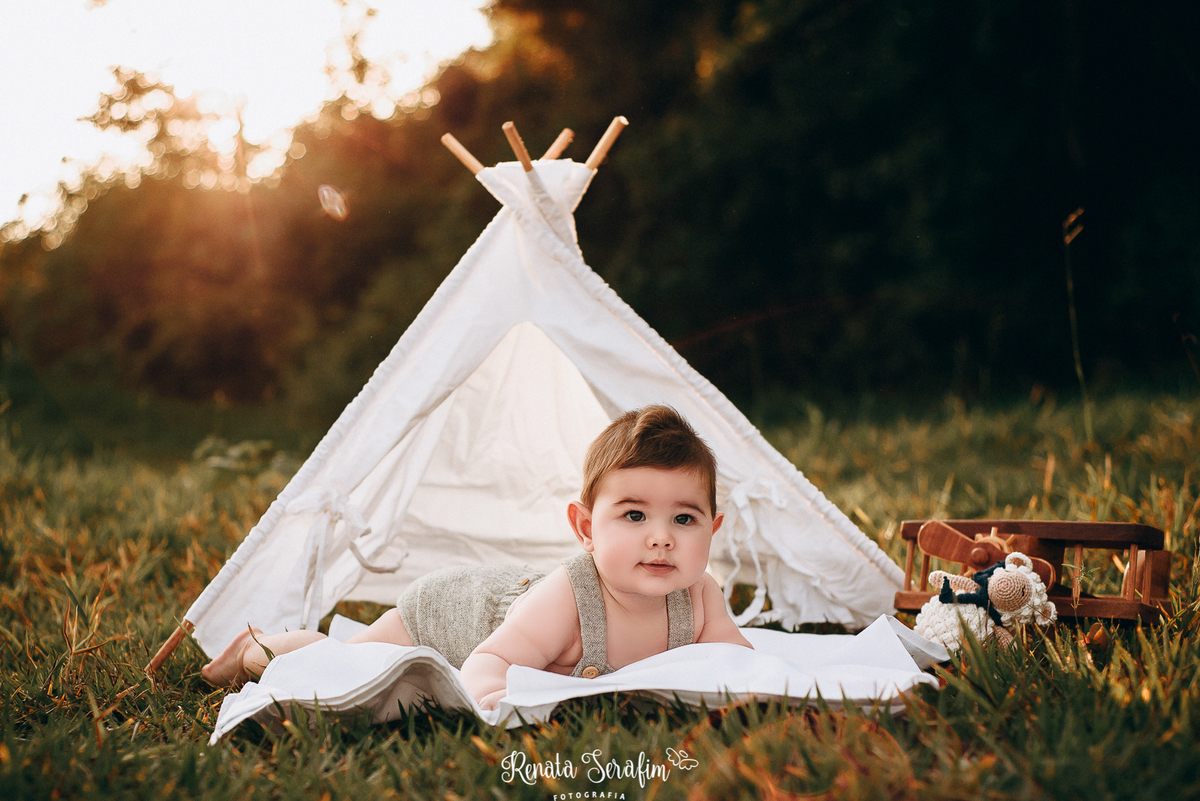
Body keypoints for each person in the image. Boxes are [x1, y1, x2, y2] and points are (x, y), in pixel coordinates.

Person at [201, 405, 753, 709]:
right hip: (454, 613)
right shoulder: (568, 597)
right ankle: (260, 648)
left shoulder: (700, 594)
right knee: (347, 662)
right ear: (586, 528)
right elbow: (488, 662)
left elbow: (743, 662)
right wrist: (491, 702)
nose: (662, 538)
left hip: (502, 598)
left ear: (712, 530)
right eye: (634, 516)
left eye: (684, 519)